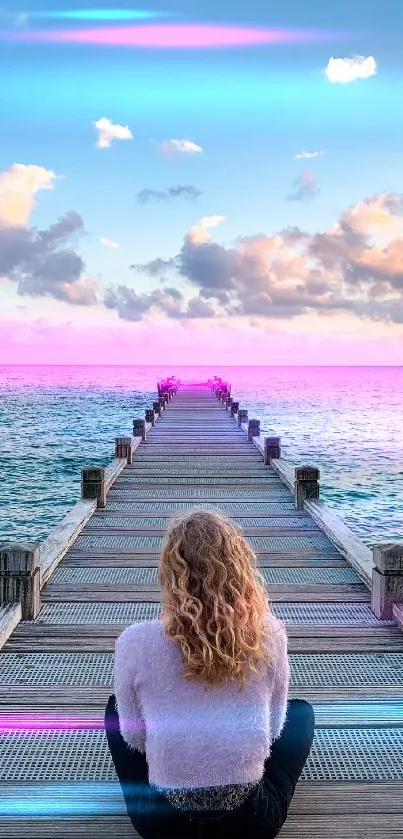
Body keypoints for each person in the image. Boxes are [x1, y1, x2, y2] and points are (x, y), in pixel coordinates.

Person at [104, 509, 315, 839]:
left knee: (115, 710)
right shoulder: (269, 634)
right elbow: (273, 731)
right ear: (240, 569)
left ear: (170, 574)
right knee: (301, 714)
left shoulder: (135, 641)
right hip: (251, 823)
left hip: (161, 824)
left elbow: (135, 740)